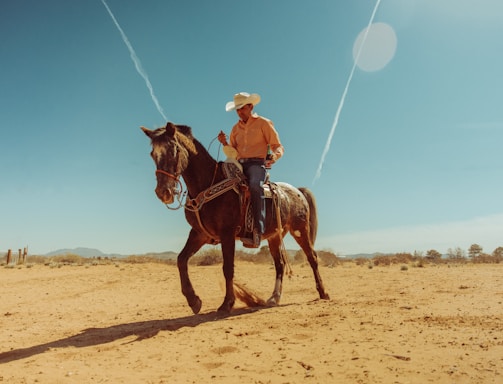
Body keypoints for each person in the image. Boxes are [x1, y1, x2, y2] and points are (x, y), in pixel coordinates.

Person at [218, 92, 284, 248]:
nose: (239, 112)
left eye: (242, 108)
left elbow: (278, 146)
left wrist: (273, 157)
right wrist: (224, 143)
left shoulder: (263, 123)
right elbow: (233, 152)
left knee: (255, 185)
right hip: (239, 163)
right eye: (237, 110)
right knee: (220, 183)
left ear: (251, 107)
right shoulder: (235, 129)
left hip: (256, 164)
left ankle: (258, 229)